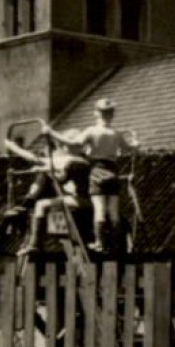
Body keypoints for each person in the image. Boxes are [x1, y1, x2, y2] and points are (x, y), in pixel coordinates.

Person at [47, 97, 138, 252]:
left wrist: (52, 133)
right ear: (112, 114)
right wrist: (136, 141)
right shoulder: (116, 133)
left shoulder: (91, 131)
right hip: (113, 171)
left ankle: (99, 243)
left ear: (96, 113)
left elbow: (74, 144)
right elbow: (130, 149)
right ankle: (116, 244)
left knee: (100, 211)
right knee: (114, 213)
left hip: (97, 171)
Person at [0, 135, 91, 254]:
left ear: (66, 147)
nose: (60, 149)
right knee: (42, 178)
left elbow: (55, 174)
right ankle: (26, 207)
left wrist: (13, 147)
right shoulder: (83, 160)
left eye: (62, 146)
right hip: (81, 197)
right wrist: (45, 169)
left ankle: (34, 243)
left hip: (81, 200)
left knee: (40, 204)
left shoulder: (71, 161)